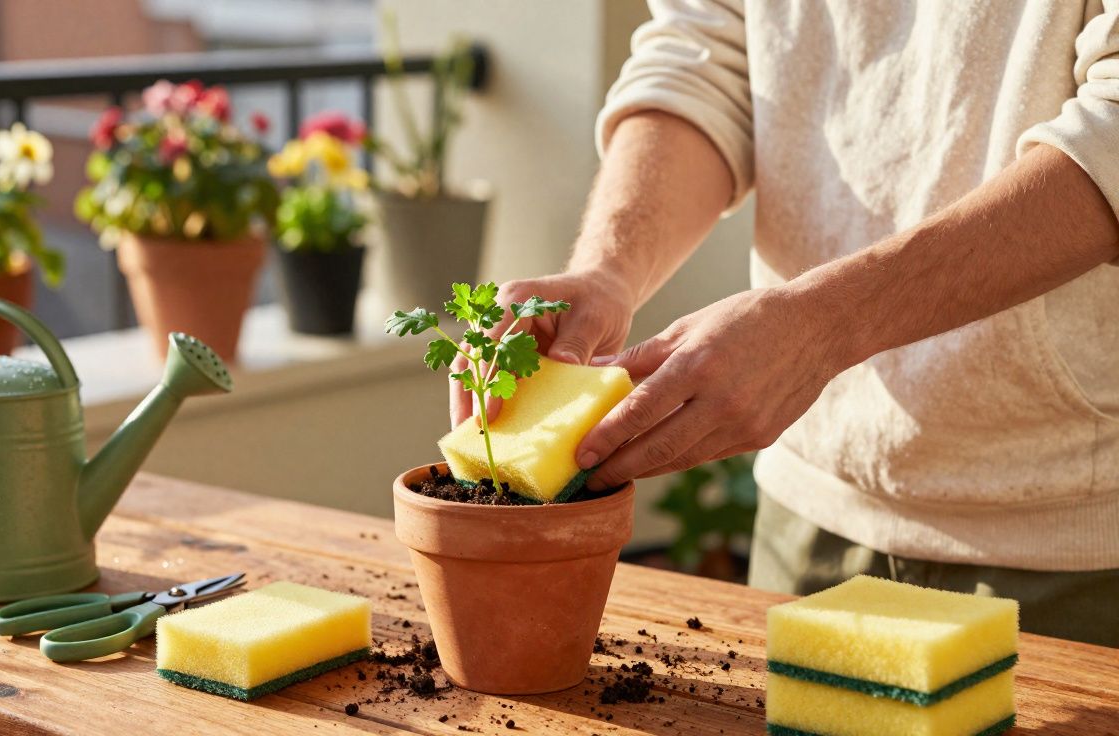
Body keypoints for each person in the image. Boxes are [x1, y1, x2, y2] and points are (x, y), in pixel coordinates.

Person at [451, 0, 1119, 647]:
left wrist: (824, 325)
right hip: (804, 515)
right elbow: (707, 55)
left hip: (1071, 547)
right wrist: (607, 270)